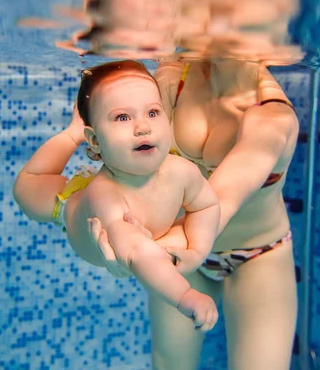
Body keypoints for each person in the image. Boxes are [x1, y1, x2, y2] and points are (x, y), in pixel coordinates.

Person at [90, 58, 300, 370]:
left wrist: (139, 252)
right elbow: (120, 165)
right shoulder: (173, 79)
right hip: (183, 255)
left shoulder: (273, 116)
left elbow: (219, 204)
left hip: (259, 254)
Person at [13, 60, 221, 332]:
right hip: (73, 207)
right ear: (96, 141)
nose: (142, 127)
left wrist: (198, 249)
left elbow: (206, 205)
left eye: (153, 113)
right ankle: (71, 134)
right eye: (123, 117)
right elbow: (137, 251)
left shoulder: (182, 171)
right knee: (25, 188)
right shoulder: (105, 195)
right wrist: (184, 295)